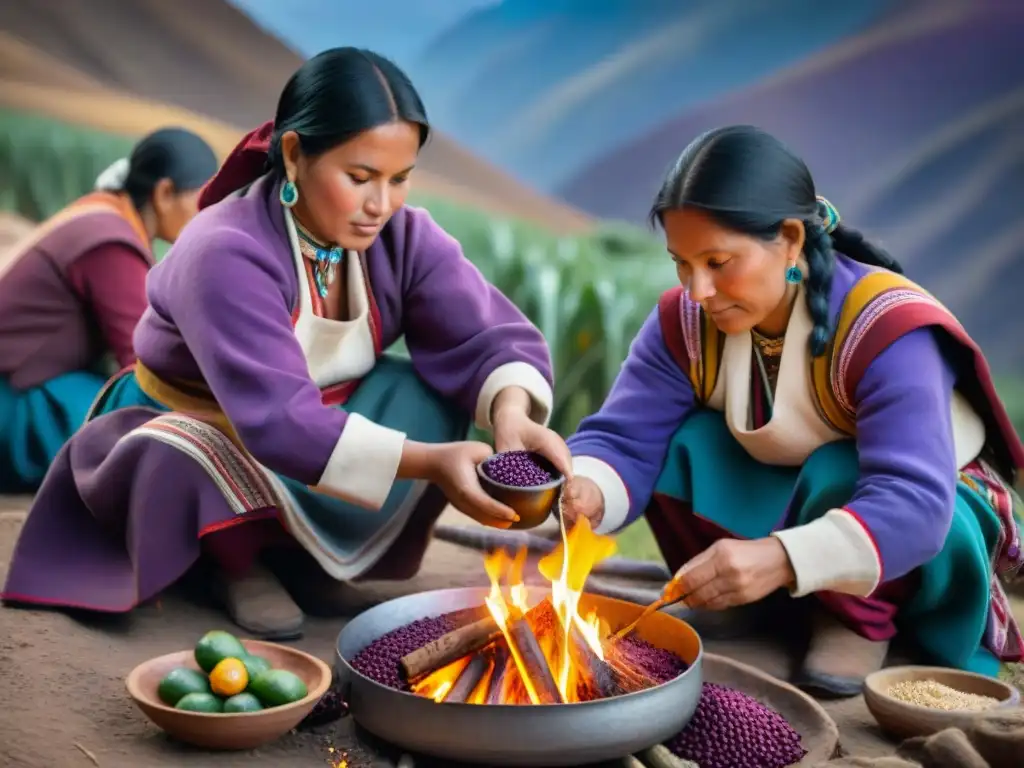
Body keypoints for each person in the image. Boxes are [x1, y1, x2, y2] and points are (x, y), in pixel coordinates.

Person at [2, 48, 569, 641]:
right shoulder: (223, 250)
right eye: (360, 177)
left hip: (316, 426)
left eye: (399, 179)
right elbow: (277, 419)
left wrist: (511, 418)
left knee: (424, 392)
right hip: (208, 425)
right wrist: (432, 463)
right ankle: (235, 564)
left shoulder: (400, 234)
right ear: (295, 155)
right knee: (179, 448)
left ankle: (305, 558)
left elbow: (482, 330)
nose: (382, 204)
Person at [561, 126, 1024, 698]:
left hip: (922, 517)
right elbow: (624, 439)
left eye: (718, 261)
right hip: (792, 506)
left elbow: (912, 498)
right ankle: (745, 599)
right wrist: (586, 490)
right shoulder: (683, 323)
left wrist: (780, 557)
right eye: (682, 263)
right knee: (688, 441)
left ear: (789, 238)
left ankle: (856, 619)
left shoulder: (887, 331)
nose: (698, 289)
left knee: (838, 467)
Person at [0, 127, 217, 492]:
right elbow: (146, 362)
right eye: (201, 199)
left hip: (31, 384)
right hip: (16, 405)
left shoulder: (102, 212)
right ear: (164, 193)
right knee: (158, 433)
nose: (205, 214)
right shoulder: (111, 243)